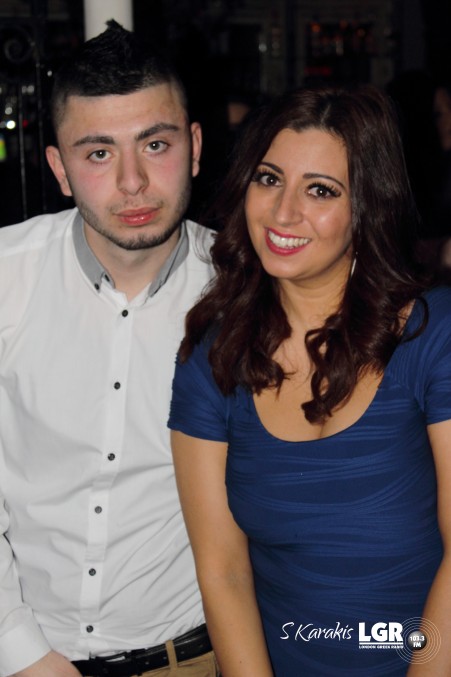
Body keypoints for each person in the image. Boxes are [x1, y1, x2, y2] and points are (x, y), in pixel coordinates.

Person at [168, 84, 451, 676]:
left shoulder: (432, 337)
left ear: (367, 207)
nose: (283, 212)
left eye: (320, 190)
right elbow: (223, 570)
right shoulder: (214, 358)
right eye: (269, 179)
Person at [0, 20, 217, 677]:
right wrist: (22, 653)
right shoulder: (7, 276)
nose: (132, 181)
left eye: (155, 144)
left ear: (194, 147)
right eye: (98, 153)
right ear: (59, 170)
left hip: (189, 658)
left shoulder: (244, 291)